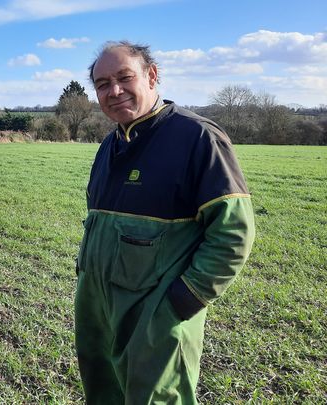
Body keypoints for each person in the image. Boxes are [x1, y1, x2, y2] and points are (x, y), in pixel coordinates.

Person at [74, 40, 255, 403]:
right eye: (103, 84)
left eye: (124, 78)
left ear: (152, 75)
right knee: (103, 394)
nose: (115, 91)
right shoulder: (110, 145)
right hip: (98, 312)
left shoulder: (197, 137)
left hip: (156, 318)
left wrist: (181, 303)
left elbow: (234, 233)